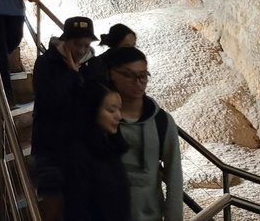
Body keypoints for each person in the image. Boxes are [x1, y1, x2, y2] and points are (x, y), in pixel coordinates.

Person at [30, 16, 97, 221]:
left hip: (79, 149)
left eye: (86, 45)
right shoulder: (45, 63)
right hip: (49, 147)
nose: (81, 50)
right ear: (65, 40)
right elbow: (49, 101)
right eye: (77, 44)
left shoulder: (91, 66)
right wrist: (72, 74)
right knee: (55, 210)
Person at [104, 47, 183, 221]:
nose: (138, 82)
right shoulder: (101, 119)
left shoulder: (161, 121)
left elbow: (174, 175)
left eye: (143, 76)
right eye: (129, 75)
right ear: (112, 74)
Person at [64, 81, 131, 221]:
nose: (119, 116)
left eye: (119, 109)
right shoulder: (78, 154)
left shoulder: (111, 146)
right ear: (92, 110)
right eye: (111, 110)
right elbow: (78, 209)